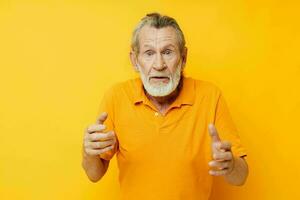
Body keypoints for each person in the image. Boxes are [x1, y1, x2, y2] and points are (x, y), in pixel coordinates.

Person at [82, 12, 248, 200]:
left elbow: (240, 177)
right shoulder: (116, 97)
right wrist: (89, 151)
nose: (159, 64)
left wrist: (230, 164)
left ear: (183, 58)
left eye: (168, 52)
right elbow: (94, 174)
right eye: (149, 53)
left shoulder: (210, 96)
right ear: (135, 61)